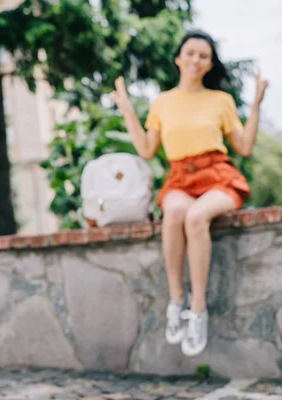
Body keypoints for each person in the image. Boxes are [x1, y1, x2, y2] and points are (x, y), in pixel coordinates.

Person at [109, 31, 268, 357]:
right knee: (176, 213)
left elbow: (244, 146)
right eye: (191, 53)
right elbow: (146, 149)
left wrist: (255, 106)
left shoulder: (220, 101)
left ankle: (197, 310)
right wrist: (126, 108)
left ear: (209, 65)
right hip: (180, 177)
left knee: (196, 217)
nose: (196, 60)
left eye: (204, 56)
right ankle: (176, 301)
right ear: (179, 58)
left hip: (218, 175)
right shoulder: (163, 102)